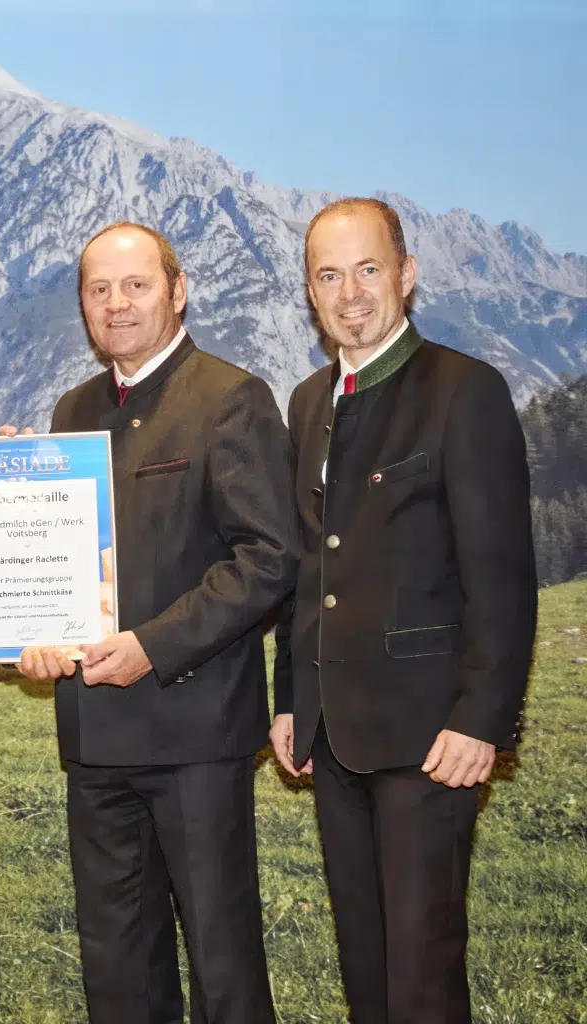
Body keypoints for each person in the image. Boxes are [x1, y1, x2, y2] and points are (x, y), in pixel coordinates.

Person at [17, 222, 295, 1023]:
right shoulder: (73, 409)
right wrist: (33, 630)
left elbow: (268, 559)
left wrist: (153, 646)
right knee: (117, 968)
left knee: (222, 963)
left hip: (194, 734)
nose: (117, 304)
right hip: (95, 737)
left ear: (178, 291)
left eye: (135, 285)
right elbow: (56, 564)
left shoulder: (230, 397)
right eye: (98, 290)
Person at [270, 198, 536, 1023]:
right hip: (333, 735)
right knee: (366, 969)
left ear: (407, 275)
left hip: (432, 739)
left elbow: (502, 575)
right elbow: (311, 565)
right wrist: (289, 701)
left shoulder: (466, 390)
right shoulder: (309, 400)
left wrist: (483, 720)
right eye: (329, 275)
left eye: (368, 269)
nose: (350, 293)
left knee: (421, 976)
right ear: (311, 295)